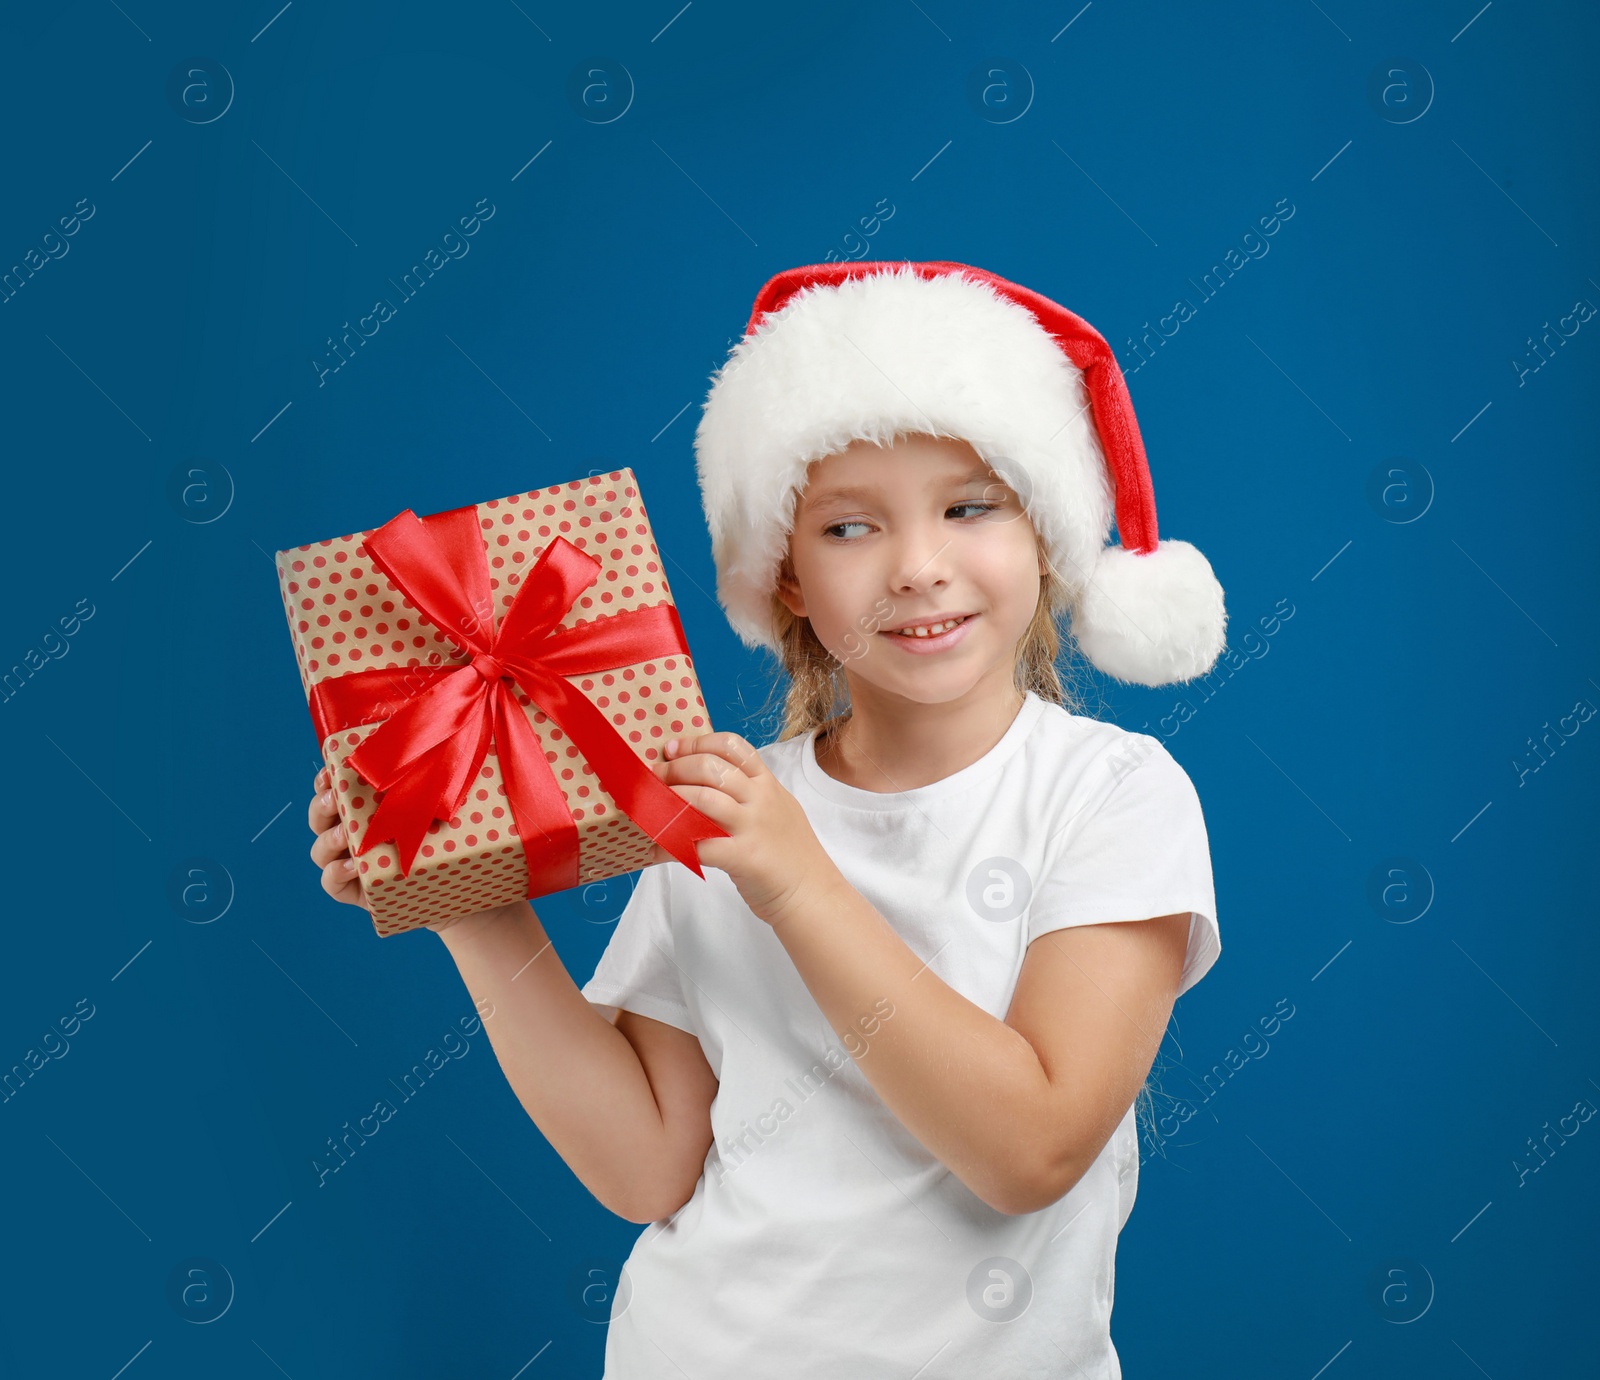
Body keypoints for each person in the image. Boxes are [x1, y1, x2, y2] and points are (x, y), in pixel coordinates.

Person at [307, 260, 1229, 1377]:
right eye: (849, 529)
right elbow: (648, 1167)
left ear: (1045, 531)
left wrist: (798, 887)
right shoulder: (729, 804)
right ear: (786, 575)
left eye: (969, 507)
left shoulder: (1112, 794)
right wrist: (466, 898)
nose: (919, 567)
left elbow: (1030, 1149)